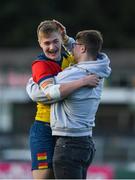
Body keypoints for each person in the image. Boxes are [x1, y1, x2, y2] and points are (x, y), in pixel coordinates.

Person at [27, 29, 111, 179]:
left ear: (82, 48)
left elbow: (47, 93)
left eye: (56, 41)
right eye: (47, 43)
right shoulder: (100, 65)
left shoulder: (73, 71)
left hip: (67, 139)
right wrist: (66, 38)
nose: (52, 47)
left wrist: (32, 83)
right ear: (40, 43)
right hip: (61, 134)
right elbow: (83, 48)